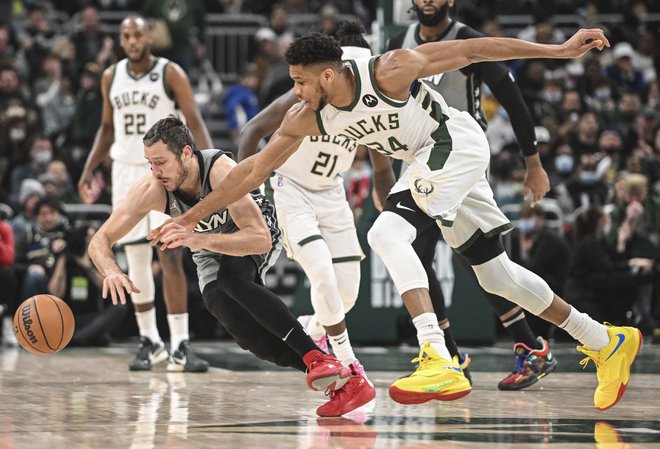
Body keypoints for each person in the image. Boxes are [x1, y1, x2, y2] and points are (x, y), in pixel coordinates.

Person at [150, 27, 642, 411]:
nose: (295, 92)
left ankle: (438, 356)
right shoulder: (307, 115)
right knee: (498, 276)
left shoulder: (388, 69)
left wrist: (558, 51)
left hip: (453, 141)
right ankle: (605, 341)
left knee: (385, 230)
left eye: (300, 81)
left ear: (326, 75)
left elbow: (473, 51)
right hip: (431, 162)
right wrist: (190, 219)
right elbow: (253, 170)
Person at [89, 116, 374, 417]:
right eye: (150, 163)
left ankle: (317, 358)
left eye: (160, 162)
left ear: (186, 153)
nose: (154, 172)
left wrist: (198, 240)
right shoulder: (153, 188)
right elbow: (100, 239)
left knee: (232, 279)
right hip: (207, 246)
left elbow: (259, 239)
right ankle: (340, 378)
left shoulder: (219, 170)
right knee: (238, 327)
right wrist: (111, 270)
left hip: (254, 228)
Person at [387, 0, 558, 390]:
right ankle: (452, 355)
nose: (428, 1)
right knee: (415, 255)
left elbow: (512, 98)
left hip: (461, 157)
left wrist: (533, 162)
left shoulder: (467, 39)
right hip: (417, 160)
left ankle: (522, 348)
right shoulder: (400, 42)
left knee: (477, 259)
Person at [236, 23, 379, 412]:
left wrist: (383, 189)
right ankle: (351, 369)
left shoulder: (366, 99)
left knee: (346, 292)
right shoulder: (304, 96)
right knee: (320, 270)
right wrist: (247, 195)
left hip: (332, 191)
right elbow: (251, 131)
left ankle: (313, 330)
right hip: (291, 188)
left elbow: (379, 148)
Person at [77, 16, 214, 372]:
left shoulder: (171, 73)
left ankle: (180, 343)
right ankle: (150, 340)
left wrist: (211, 166)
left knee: (170, 253)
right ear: (121, 40)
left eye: (138, 33)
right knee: (136, 256)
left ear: (150, 36)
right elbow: (107, 128)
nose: (132, 40)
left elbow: (195, 121)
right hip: (124, 169)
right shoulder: (111, 76)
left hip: (164, 170)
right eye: (126, 35)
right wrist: (90, 167)